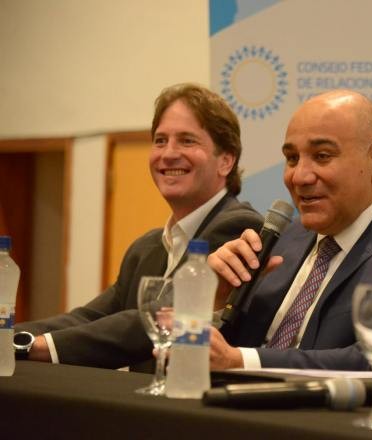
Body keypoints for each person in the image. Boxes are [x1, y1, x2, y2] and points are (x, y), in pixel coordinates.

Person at [207, 89, 372, 372]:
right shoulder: (282, 241)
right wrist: (216, 301)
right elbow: (229, 348)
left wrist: (243, 361)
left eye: (322, 156)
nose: (299, 176)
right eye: (292, 158)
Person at [14, 83, 263, 371]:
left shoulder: (239, 228)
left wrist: (30, 347)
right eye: (160, 140)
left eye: (187, 141)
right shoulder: (146, 247)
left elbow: (162, 318)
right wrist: (12, 335)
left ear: (226, 161)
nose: (168, 153)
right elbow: (90, 317)